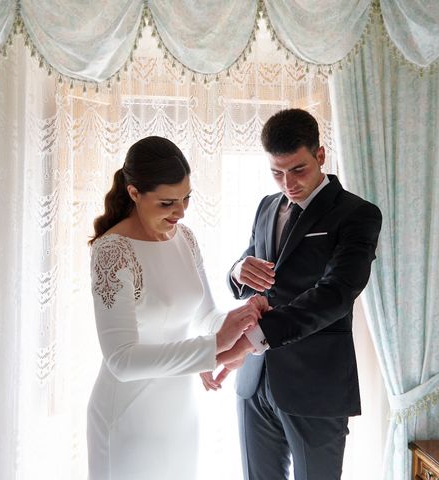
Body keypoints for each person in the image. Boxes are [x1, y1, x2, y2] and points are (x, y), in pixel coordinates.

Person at [86, 136, 267, 480]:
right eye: (168, 202)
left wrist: (243, 320)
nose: (181, 212)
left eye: (186, 199)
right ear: (134, 193)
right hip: (129, 418)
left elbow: (206, 319)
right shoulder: (112, 252)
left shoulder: (185, 238)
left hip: (181, 416)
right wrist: (213, 351)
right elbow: (121, 360)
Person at [222, 109, 382, 480]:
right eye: (277, 172)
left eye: (298, 170)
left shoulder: (357, 214)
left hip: (315, 383)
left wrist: (253, 338)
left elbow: (337, 294)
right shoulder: (266, 207)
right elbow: (250, 269)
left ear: (320, 155)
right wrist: (237, 270)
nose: (287, 183)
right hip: (255, 381)